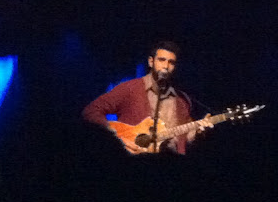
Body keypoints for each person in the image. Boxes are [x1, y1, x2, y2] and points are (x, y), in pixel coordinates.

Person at [82, 41, 212, 154]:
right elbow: (91, 111)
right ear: (151, 61)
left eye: (171, 62)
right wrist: (117, 137)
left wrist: (197, 133)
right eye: (161, 60)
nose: (166, 66)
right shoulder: (129, 89)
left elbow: (183, 140)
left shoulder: (183, 100)